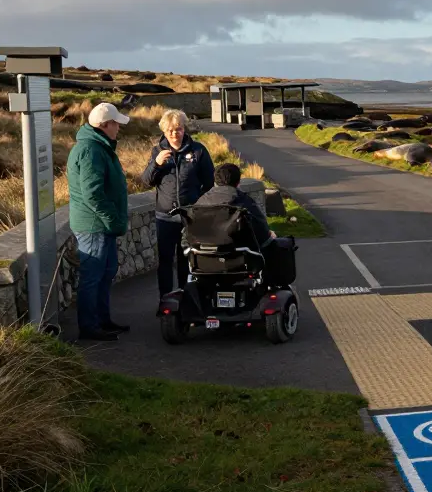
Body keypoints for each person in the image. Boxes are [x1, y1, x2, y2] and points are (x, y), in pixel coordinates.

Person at [67, 102, 131, 341]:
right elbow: (92, 193)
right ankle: (89, 327)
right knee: (93, 277)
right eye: (116, 124)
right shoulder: (90, 150)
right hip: (94, 225)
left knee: (105, 273)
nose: (118, 129)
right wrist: (112, 219)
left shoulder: (98, 147)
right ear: (105, 125)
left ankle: (102, 320)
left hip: (101, 225)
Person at [142, 110, 214, 296]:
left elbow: (209, 183)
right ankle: (165, 300)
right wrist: (156, 164)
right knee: (165, 261)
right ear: (164, 132)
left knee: (188, 260)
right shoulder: (157, 151)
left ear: (184, 129)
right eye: (170, 130)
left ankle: (187, 300)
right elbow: (146, 181)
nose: (175, 134)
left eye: (178, 129)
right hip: (165, 218)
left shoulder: (198, 151)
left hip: (190, 218)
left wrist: (198, 207)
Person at [193, 163, 276, 247]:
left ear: (215, 181)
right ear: (238, 182)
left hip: (203, 255)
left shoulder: (201, 202)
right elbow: (262, 233)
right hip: (238, 256)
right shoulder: (244, 202)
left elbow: (188, 233)